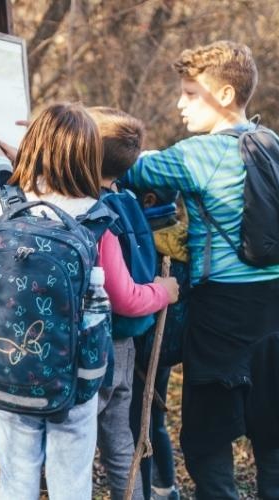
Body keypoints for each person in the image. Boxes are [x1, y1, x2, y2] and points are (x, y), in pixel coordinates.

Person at [0, 102, 178, 500]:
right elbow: (121, 296)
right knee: (71, 478)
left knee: (16, 473)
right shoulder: (97, 218)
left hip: (9, 366)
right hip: (75, 374)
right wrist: (163, 291)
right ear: (89, 158)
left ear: (31, 150)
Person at [121, 41, 279, 499]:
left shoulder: (198, 154)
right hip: (274, 298)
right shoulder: (271, 142)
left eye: (189, 93)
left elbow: (129, 172)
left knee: (207, 439)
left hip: (222, 307)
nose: (180, 104)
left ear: (223, 95)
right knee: (270, 420)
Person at [83, 106, 169, 500]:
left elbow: (122, 295)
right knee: (120, 443)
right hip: (126, 345)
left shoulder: (89, 210)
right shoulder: (127, 198)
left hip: (93, 347)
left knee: (77, 445)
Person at [129, 185, 189, 500]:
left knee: (138, 427)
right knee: (155, 421)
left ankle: (149, 493)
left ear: (149, 200)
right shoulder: (183, 238)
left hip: (142, 346)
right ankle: (167, 489)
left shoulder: (144, 241)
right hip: (167, 346)